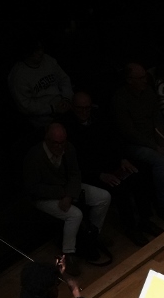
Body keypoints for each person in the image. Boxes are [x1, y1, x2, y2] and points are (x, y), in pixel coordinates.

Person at [65, 90, 154, 247]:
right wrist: (99, 174)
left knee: (141, 173)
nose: (84, 111)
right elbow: (75, 164)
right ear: (72, 107)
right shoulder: (69, 130)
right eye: (80, 108)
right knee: (119, 189)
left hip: (112, 164)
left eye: (87, 107)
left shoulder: (99, 119)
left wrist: (122, 159)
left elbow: (114, 140)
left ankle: (145, 220)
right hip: (92, 174)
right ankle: (131, 228)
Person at [113, 63, 164, 223]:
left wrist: (162, 140)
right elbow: (129, 131)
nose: (145, 80)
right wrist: (155, 146)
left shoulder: (149, 92)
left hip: (156, 137)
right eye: (141, 77)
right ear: (130, 80)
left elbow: (158, 119)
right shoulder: (120, 99)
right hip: (136, 144)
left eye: (145, 76)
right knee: (159, 161)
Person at [23, 122, 112, 272]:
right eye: (55, 143)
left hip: (66, 189)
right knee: (75, 214)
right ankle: (68, 255)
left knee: (104, 197)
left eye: (62, 143)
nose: (59, 147)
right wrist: (63, 194)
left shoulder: (68, 148)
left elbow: (75, 174)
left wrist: (69, 194)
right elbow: (33, 188)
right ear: (47, 139)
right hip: (43, 197)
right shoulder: (34, 156)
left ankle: (93, 235)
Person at [7, 40, 73, 128]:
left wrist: (67, 98)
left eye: (41, 49)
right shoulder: (18, 75)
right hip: (43, 120)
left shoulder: (48, 60)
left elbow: (64, 79)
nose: (40, 53)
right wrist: (52, 108)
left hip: (64, 105)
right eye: (36, 51)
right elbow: (25, 106)